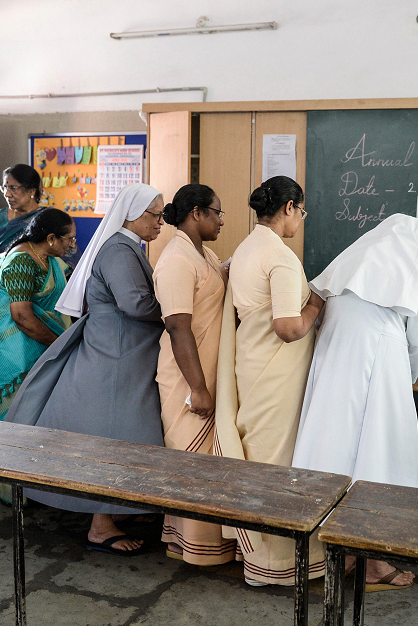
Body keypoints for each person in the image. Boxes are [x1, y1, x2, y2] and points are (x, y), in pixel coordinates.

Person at [5, 183, 165, 555]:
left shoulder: (125, 246)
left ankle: (119, 507)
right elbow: (136, 304)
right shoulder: (120, 250)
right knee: (112, 436)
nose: (160, 221)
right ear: (131, 215)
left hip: (122, 352)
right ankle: (101, 525)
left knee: (127, 435)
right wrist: (182, 310)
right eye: (154, 214)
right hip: (116, 356)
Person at [292, 213, 418, 592]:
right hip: (382, 361)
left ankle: (341, 550)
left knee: (333, 449)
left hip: (335, 358)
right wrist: (408, 375)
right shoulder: (414, 275)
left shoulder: (346, 265)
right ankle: (373, 561)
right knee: (379, 455)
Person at [213, 175, 325, 586]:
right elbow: (288, 327)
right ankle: (273, 566)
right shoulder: (279, 255)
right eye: (302, 210)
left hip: (253, 364)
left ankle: (255, 557)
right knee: (276, 465)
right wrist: (315, 306)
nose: (301, 219)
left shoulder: (245, 247)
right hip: (276, 371)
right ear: (290, 208)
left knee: (260, 457)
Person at [153, 184, 236, 566]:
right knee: (191, 464)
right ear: (197, 213)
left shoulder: (201, 252)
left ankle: (184, 540)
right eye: (217, 212)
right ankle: (193, 547)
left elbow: (210, 284)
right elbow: (177, 326)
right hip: (187, 378)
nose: (221, 220)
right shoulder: (176, 259)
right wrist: (198, 388)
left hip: (205, 371)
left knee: (202, 462)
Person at [0, 208, 73, 422]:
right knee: (17, 417)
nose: (71, 245)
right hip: (16, 349)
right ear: (51, 238)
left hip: (39, 343)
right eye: (68, 239)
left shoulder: (50, 259)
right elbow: (22, 316)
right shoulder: (21, 261)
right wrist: (59, 344)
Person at [0, 164, 45, 322]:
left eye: (13, 188)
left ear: (32, 191)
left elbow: (63, 259)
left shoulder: (46, 219)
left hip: (38, 302)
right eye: (4, 187)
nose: (7, 194)